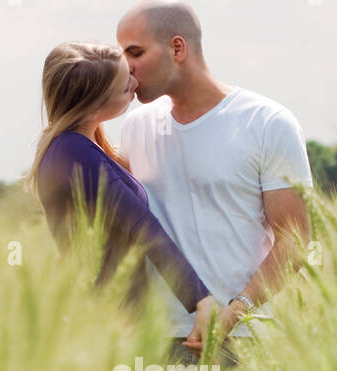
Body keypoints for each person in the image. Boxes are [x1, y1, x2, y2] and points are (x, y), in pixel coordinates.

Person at [117, 0, 313, 364]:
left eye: (135, 52)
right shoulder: (134, 127)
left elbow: (295, 239)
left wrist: (235, 311)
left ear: (177, 48)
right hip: (153, 341)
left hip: (242, 340)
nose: (124, 67)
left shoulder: (267, 123)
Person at [30, 41, 218, 348]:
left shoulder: (78, 148)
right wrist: (200, 299)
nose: (135, 83)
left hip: (111, 317)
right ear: (93, 105)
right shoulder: (75, 152)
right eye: (124, 87)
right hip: (108, 321)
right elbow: (143, 228)